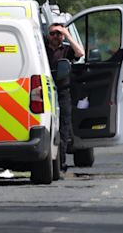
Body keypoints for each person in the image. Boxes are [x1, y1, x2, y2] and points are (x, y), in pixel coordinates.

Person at [46, 23, 84, 173]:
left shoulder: (66, 49)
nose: (56, 37)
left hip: (63, 92)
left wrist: (68, 35)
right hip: (45, 90)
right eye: (53, 33)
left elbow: (80, 53)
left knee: (64, 128)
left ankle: (60, 163)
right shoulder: (41, 49)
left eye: (58, 34)